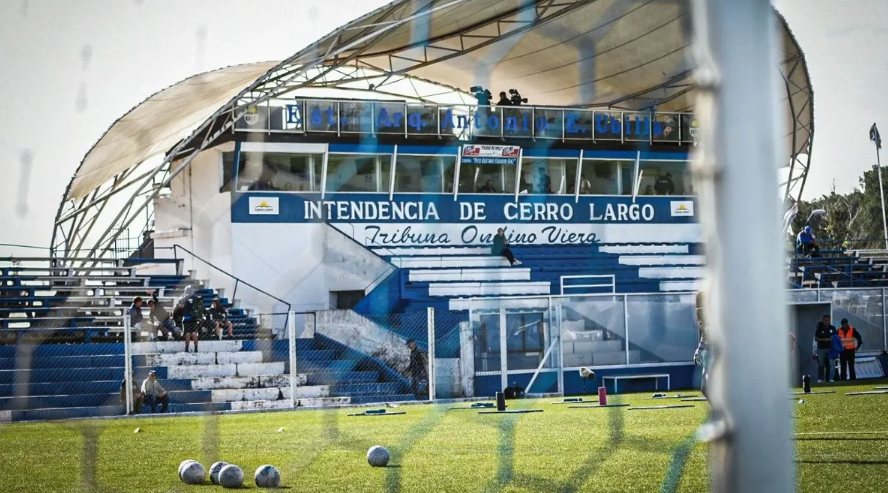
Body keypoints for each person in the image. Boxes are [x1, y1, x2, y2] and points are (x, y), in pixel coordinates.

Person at [693, 290, 709, 399]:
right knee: (705, 388)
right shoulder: (704, 321)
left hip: (719, 352)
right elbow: (704, 335)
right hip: (708, 352)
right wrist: (698, 351)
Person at [813, 314, 836, 383]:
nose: (826, 322)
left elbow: (835, 338)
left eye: (828, 320)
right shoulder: (820, 328)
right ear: (823, 321)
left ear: (829, 320)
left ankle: (831, 378)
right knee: (821, 364)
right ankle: (821, 378)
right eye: (825, 320)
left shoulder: (832, 328)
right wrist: (824, 340)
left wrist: (829, 340)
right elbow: (816, 338)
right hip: (821, 349)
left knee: (831, 364)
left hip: (830, 349)